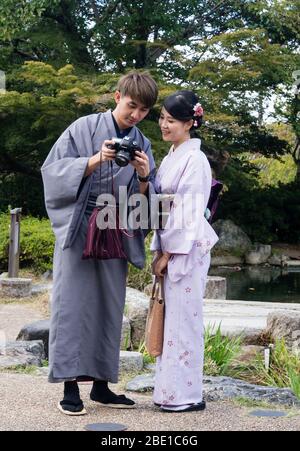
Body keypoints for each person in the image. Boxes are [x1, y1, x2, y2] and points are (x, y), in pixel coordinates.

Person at [41, 72, 158, 415]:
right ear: (117, 95)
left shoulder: (143, 143)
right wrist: (96, 159)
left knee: (110, 306)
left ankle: (103, 386)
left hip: (115, 227)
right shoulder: (82, 128)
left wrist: (143, 175)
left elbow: (142, 202)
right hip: (79, 226)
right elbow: (53, 172)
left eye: (143, 110)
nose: (135, 115)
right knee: (72, 306)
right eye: (131, 105)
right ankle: (69, 387)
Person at [151, 90, 219, 412]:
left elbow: (187, 211)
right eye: (162, 117)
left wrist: (167, 253)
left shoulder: (195, 160)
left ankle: (185, 395)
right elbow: (162, 208)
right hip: (172, 246)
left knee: (185, 321)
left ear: (190, 123)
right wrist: (158, 247)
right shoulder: (172, 157)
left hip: (187, 250)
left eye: (172, 120)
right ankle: (168, 393)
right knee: (171, 321)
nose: (164, 124)